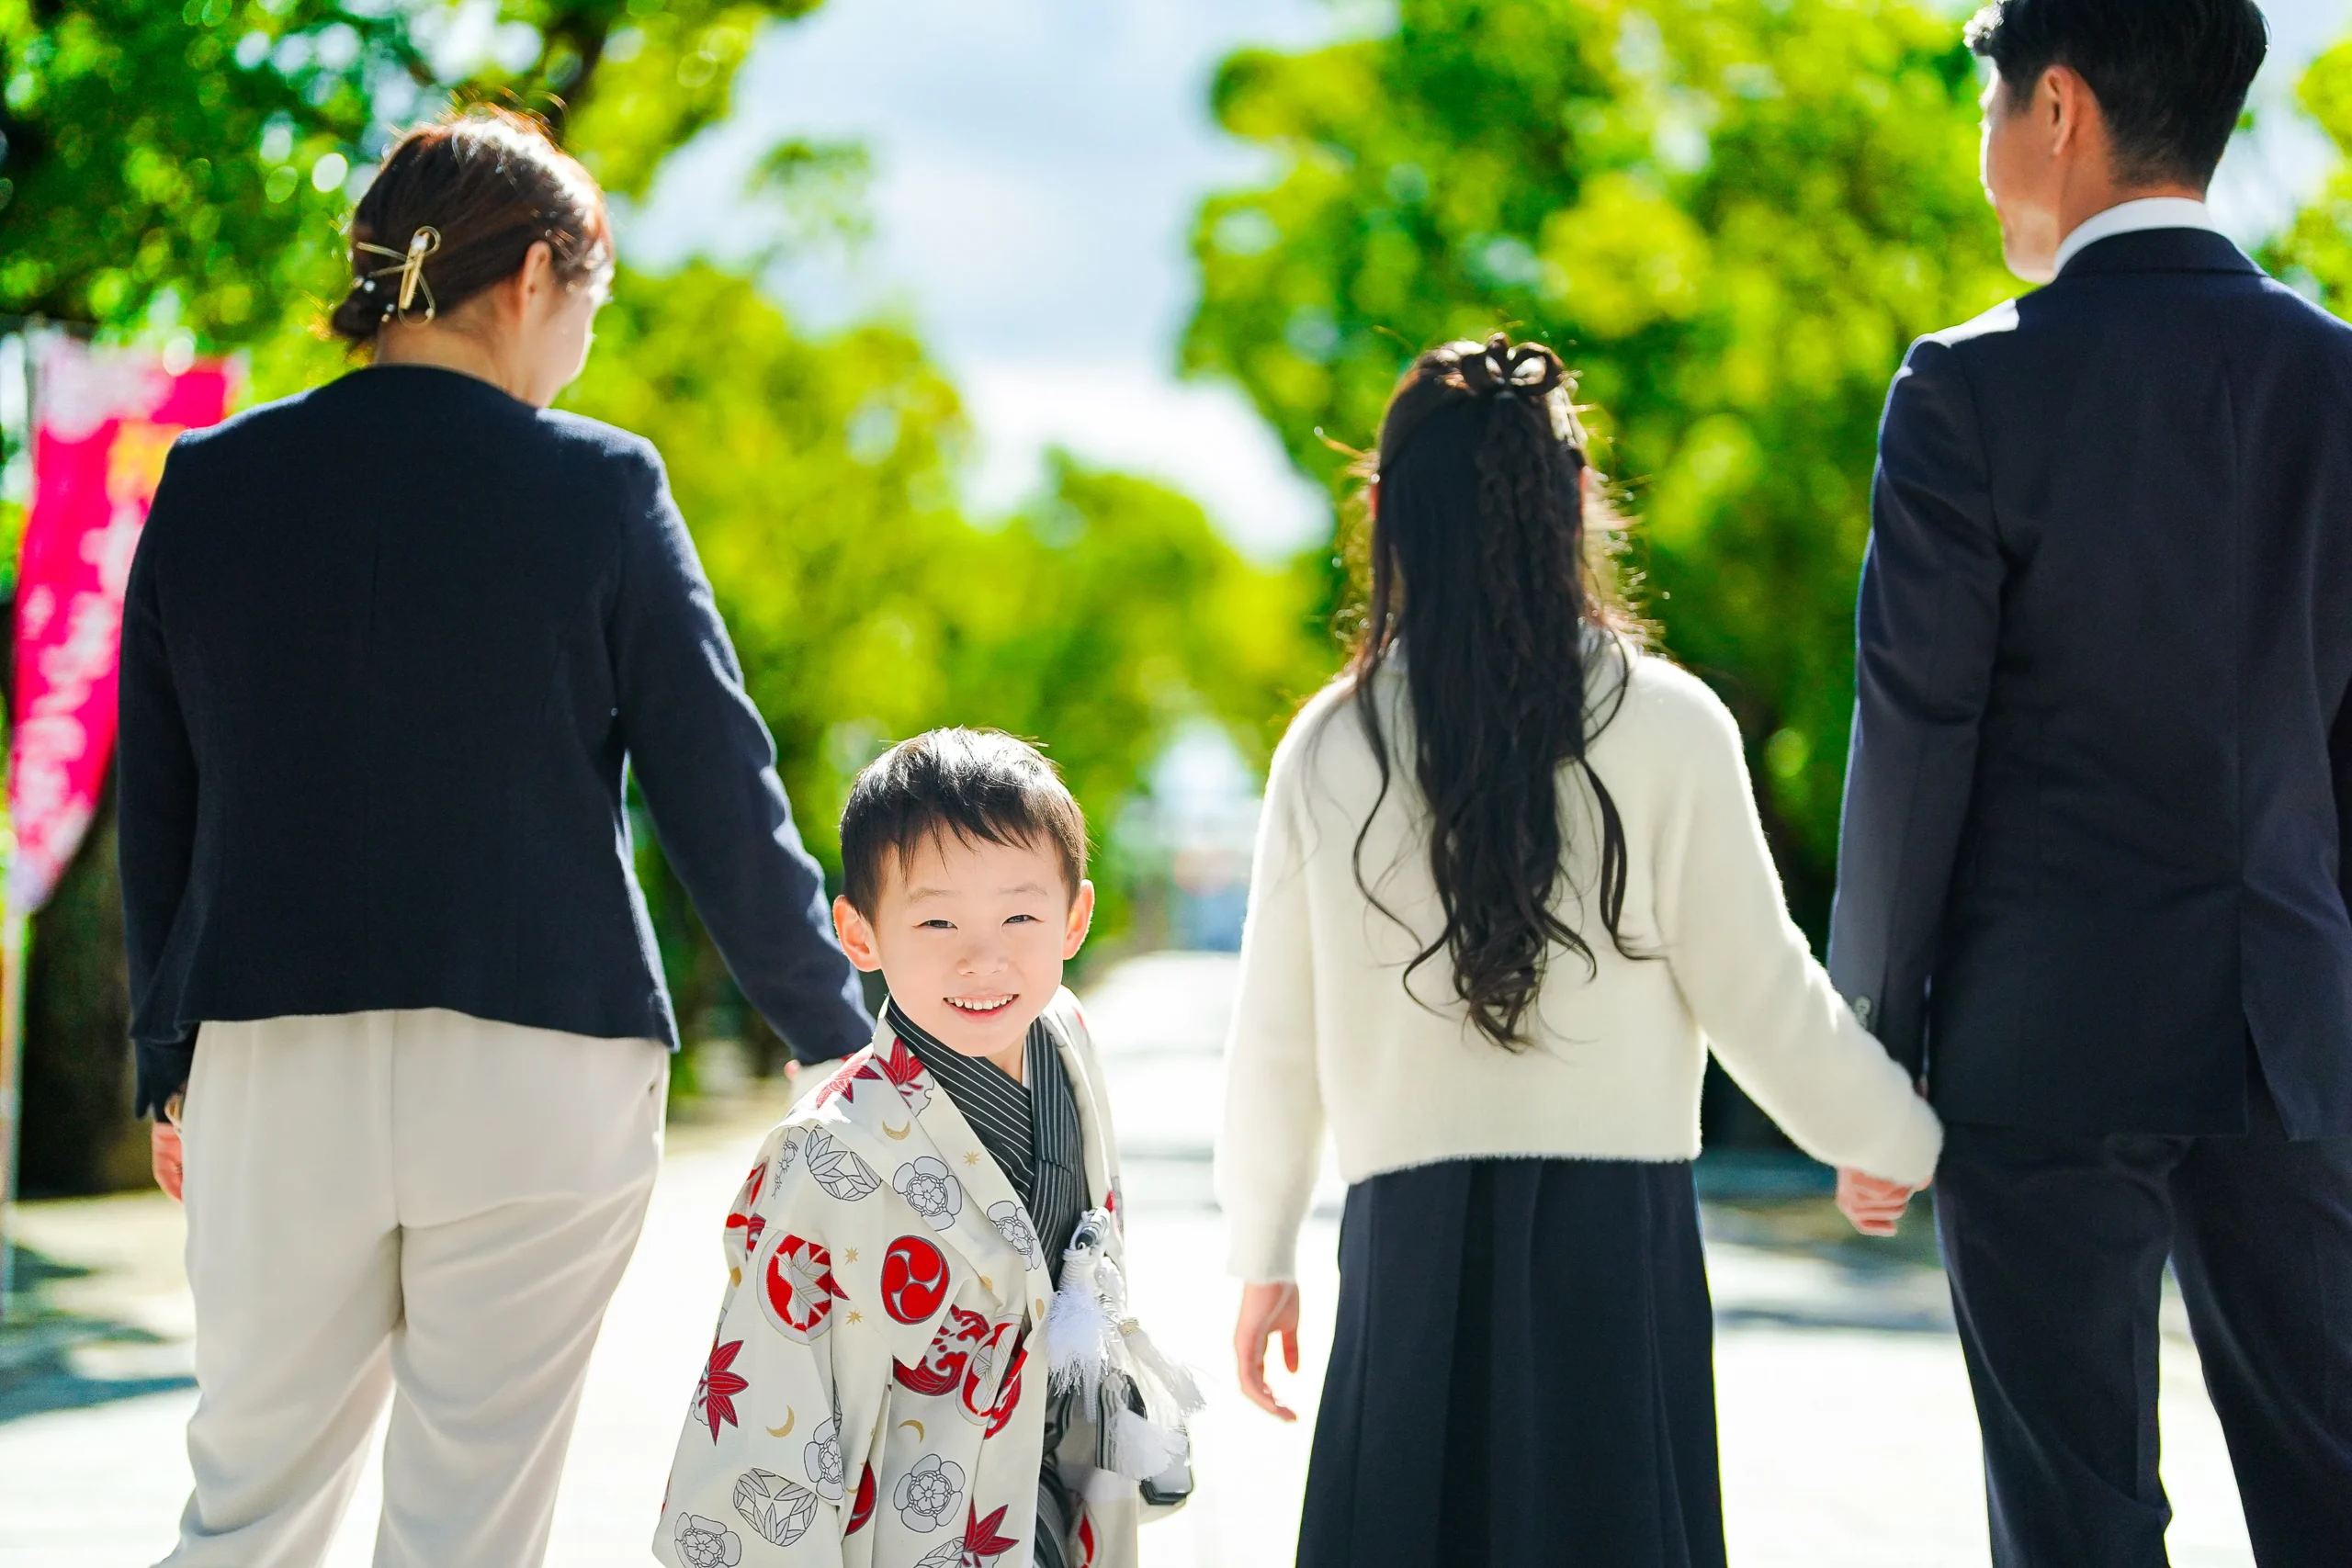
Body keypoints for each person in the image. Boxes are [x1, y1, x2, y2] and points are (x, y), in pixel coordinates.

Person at [121, 108, 872, 1568]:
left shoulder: (209, 483)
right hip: (546, 1056)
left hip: (273, 1061)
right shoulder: (601, 484)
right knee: (469, 1528)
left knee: (247, 1513)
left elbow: (161, 795)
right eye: (590, 299)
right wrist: (831, 1031)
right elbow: (720, 781)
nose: (584, 338)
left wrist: (169, 1067)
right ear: (535, 274)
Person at [1216, 335, 1942, 1567]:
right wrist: (1892, 1138)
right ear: (1580, 507)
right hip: (1618, 1243)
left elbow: (1275, 1039)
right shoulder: (1671, 722)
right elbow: (1762, 990)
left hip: (1408, 1246)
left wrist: (1263, 1250)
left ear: (1386, 510)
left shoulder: (1331, 743)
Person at [1826, 1, 2352, 1561]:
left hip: (2041, 1041)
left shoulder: (1969, 389)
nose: (1987, 156)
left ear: (2056, 106)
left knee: (2076, 1517)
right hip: (2299, 1036)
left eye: (1990, 105)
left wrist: (1865, 1056)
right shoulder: (2338, 383)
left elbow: (1914, 743)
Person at [655, 728, 1193, 1568]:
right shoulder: (824, 1157)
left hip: (1050, 1509)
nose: (984, 957)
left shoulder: (1065, 1039)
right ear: (860, 933)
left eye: (1021, 913)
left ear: (1074, 917)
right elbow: (771, 1405)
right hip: (913, 1530)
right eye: (937, 918)